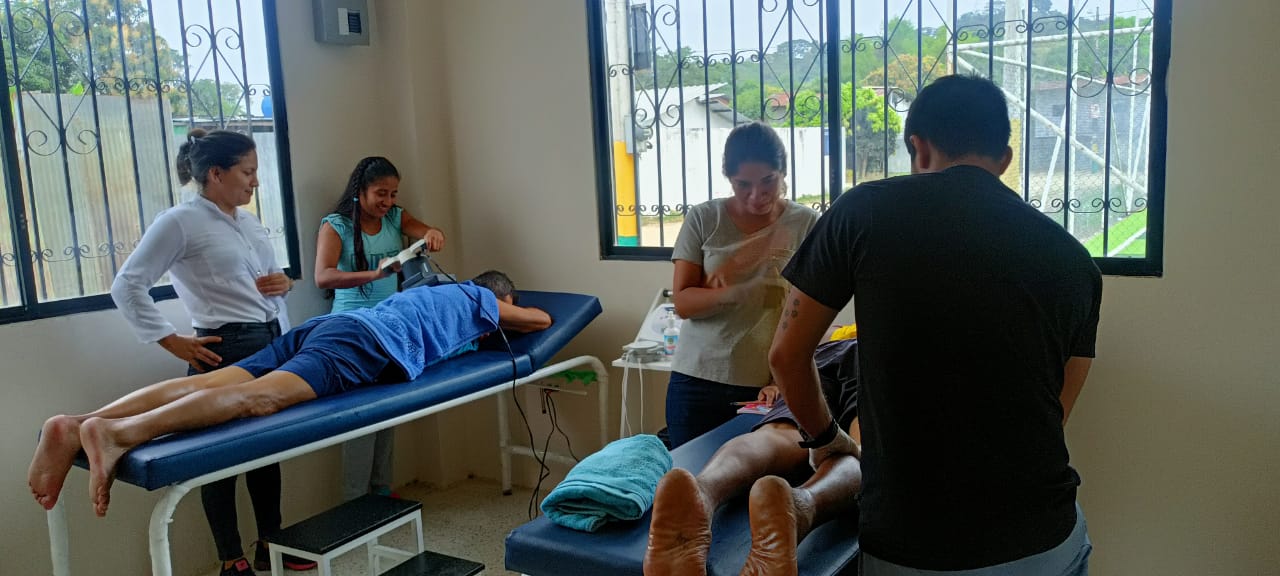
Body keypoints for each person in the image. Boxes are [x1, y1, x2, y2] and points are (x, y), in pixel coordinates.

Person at [770, 75, 1102, 575]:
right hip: (1047, 539)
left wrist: (826, 440)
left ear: (919, 148)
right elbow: (1054, 416)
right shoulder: (1078, 264)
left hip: (912, 549)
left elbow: (786, 356)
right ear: (1005, 159)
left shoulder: (864, 211)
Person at [29, 271, 551, 522]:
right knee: (259, 398)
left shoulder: (424, 294)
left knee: (213, 380)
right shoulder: (475, 296)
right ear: (497, 295)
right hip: (362, 346)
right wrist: (502, 310)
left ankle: (79, 422)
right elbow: (539, 320)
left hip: (328, 327)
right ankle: (119, 434)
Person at [104, 129, 313, 575]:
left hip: (270, 340)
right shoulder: (180, 222)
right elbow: (127, 285)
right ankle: (231, 559)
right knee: (219, 457)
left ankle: (270, 544)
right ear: (216, 173)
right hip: (225, 347)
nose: (256, 182)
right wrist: (171, 339)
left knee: (267, 450)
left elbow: (266, 283)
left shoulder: (248, 222)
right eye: (248, 172)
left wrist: (285, 283)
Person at [644, 336, 863, 576]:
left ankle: (704, 490)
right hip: (876, 359)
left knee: (778, 433)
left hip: (821, 357)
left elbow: (789, 350)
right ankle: (801, 506)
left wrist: (778, 382)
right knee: (861, 452)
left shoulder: (830, 332)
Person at [665, 122, 819, 448]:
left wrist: (780, 378)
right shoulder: (705, 218)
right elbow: (683, 303)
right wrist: (736, 293)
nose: (756, 196)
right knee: (690, 472)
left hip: (765, 387)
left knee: (756, 473)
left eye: (768, 181)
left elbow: (808, 311)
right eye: (743, 185)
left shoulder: (805, 223)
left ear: (783, 172)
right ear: (729, 178)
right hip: (697, 380)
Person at [315, 156, 447, 500]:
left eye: (393, 194)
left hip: (389, 329)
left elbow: (425, 231)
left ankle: (381, 493)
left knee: (388, 411)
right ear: (360, 191)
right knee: (361, 419)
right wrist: (375, 273)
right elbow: (323, 276)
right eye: (380, 194)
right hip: (352, 330)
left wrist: (433, 234)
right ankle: (356, 502)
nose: (387, 201)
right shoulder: (336, 225)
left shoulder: (395, 218)